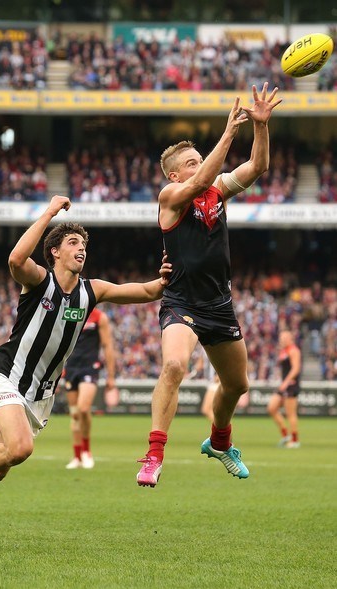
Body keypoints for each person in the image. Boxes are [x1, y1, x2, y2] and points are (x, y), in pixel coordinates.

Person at [0, 195, 172, 553]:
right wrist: (49, 213)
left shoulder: (93, 291)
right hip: (7, 376)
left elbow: (147, 291)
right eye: (73, 243)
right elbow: (15, 259)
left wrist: (166, 277)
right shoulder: (39, 281)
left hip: (40, 395)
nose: (81, 249)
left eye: (84, 244)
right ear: (54, 252)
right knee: (20, 448)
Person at [137, 82, 282, 487]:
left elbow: (257, 168)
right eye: (192, 161)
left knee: (237, 384)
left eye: (201, 159)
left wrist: (260, 127)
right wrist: (229, 132)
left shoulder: (216, 192)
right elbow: (201, 181)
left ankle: (220, 441)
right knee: (174, 365)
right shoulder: (170, 195)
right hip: (182, 302)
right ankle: (153, 455)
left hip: (219, 304)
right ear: (174, 173)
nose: (201, 164)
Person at [64, 307, 116, 469]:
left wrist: (111, 376)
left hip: (89, 367)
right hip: (71, 367)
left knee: (83, 409)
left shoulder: (99, 317)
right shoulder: (68, 312)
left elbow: (107, 346)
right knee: (74, 415)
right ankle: (77, 456)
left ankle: (86, 451)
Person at [267, 330, 302, 448]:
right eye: (281, 337)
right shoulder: (284, 351)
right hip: (284, 384)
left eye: (284, 337)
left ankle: (295, 440)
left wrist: (286, 382)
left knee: (290, 413)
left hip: (291, 385)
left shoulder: (293, 350)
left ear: (290, 338)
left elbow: (296, 368)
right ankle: (285, 434)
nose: (281, 339)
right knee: (272, 408)